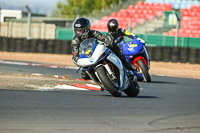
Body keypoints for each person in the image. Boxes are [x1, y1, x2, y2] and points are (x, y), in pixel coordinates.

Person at [71, 17, 136, 80]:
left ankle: (128, 66)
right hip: (88, 57)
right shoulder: (75, 41)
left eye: (80, 30)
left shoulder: (94, 33)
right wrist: (76, 60)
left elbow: (104, 39)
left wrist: (108, 41)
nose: (78, 32)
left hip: (98, 51)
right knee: (84, 75)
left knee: (114, 47)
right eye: (76, 30)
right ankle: (102, 81)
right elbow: (75, 55)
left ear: (87, 29)